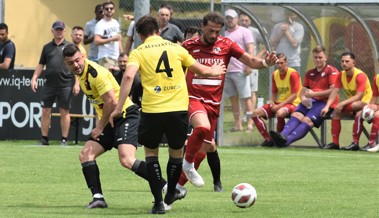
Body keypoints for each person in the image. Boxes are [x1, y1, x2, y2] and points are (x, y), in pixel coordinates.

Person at [109, 15, 226, 214]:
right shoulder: (177, 48)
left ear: (139, 34)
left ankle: (157, 203)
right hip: (177, 110)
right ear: (158, 30)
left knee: (151, 156)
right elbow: (201, 71)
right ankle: (171, 192)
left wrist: (119, 107)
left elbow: (128, 75)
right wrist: (214, 70)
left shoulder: (138, 52)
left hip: (152, 110)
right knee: (175, 155)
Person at [176, 12, 277, 200]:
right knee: (202, 127)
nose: (213, 35)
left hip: (214, 104)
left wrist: (265, 62)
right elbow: (176, 70)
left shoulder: (227, 45)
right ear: (202, 26)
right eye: (210, 31)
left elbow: (252, 61)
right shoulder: (189, 46)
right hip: (193, 98)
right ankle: (187, 165)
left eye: (217, 31)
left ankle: (176, 187)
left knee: (206, 148)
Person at [62, 44, 166, 209]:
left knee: (126, 159)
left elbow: (111, 101)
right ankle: (98, 198)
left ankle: (168, 187)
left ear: (83, 57)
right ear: (66, 64)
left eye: (77, 60)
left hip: (125, 115)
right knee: (86, 155)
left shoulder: (96, 73)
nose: (75, 65)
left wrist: (99, 127)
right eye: (71, 63)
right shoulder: (80, 74)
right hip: (109, 119)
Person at [269, 46, 340, 147]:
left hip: (326, 103)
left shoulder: (331, 71)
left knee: (307, 120)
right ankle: (281, 136)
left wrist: (313, 94)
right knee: (296, 115)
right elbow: (303, 90)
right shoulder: (310, 73)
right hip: (312, 101)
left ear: (325, 57)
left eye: (320, 57)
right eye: (315, 57)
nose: (318, 60)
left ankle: (286, 141)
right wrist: (302, 98)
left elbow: (333, 91)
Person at [31, 21, 80, 146]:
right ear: (52, 31)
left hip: (65, 84)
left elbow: (76, 65)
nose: (59, 31)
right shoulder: (47, 47)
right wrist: (34, 78)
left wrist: (76, 83)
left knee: (64, 111)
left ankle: (64, 139)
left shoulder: (70, 46)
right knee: (45, 110)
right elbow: (41, 65)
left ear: (64, 31)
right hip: (49, 84)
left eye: (61, 29)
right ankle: (44, 139)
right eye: (57, 29)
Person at [321, 52, 372, 150]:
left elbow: (359, 96)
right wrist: (327, 106)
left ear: (353, 62)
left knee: (352, 109)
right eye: (342, 61)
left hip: (365, 104)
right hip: (352, 105)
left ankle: (355, 143)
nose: (344, 63)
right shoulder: (341, 75)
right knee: (336, 113)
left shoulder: (360, 75)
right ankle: (335, 144)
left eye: (347, 61)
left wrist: (342, 103)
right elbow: (334, 92)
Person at [251, 53, 302, 147]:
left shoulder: (293, 74)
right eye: (277, 63)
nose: (279, 65)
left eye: (282, 63)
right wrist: (271, 102)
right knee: (255, 114)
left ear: (286, 62)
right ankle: (268, 139)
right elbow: (274, 93)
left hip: (293, 103)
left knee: (280, 113)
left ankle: (280, 139)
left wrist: (279, 105)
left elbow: (294, 95)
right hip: (280, 103)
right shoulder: (275, 74)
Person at [223, 9, 255, 132]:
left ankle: (250, 124)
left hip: (241, 70)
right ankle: (238, 125)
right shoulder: (224, 33)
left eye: (231, 18)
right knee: (233, 98)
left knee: (246, 98)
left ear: (237, 19)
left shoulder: (244, 31)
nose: (229, 20)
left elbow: (250, 48)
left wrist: (249, 65)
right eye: (227, 18)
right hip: (227, 71)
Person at [238, 13, 264, 125]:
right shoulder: (236, 31)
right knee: (242, 93)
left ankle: (252, 117)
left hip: (252, 66)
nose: (244, 22)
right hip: (239, 66)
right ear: (238, 20)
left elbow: (267, 45)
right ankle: (245, 115)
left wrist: (255, 59)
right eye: (242, 20)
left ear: (250, 21)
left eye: (246, 20)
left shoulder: (255, 31)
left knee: (252, 92)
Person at [94, 1, 122, 69]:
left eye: (111, 8)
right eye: (107, 9)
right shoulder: (100, 24)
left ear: (114, 10)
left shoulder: (116, 22)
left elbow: (119, 40)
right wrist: (111, 39)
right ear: (103, 10)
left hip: (116, 57)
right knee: (108, 78)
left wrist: (122, 54)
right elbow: (96, 41)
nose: (109, 10)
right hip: (105, 57)